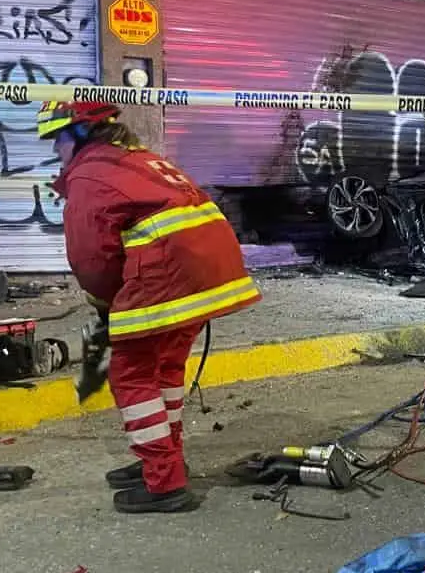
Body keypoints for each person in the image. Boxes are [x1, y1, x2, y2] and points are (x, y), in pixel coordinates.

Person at [38, 101, 262, 514]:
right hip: (206, 272)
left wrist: (107, 306)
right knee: (165, 368)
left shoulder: (91, 174)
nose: (55, 150)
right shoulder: (137, 159)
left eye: (58, 139)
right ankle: (164, 458)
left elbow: (91, 258)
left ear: (82, 136)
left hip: (170, 274)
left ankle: (164, 481)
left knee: (132, 372)